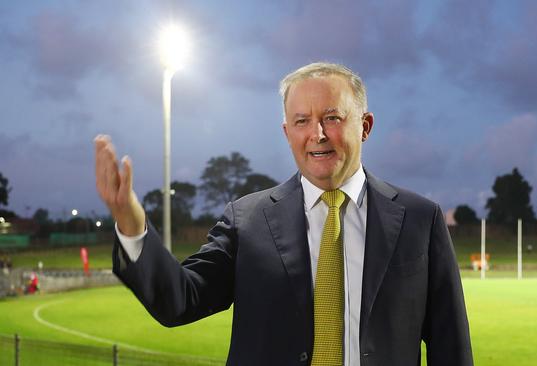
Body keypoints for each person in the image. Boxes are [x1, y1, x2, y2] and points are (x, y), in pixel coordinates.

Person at [95, 62, 473, 365]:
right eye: (302, 121)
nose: (317, 134)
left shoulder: (420, 219)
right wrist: (131, 222)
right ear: (287, 131)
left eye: (333, 117)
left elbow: (451, 348)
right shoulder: (247, 220)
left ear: (366, 126)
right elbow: (180, 300)